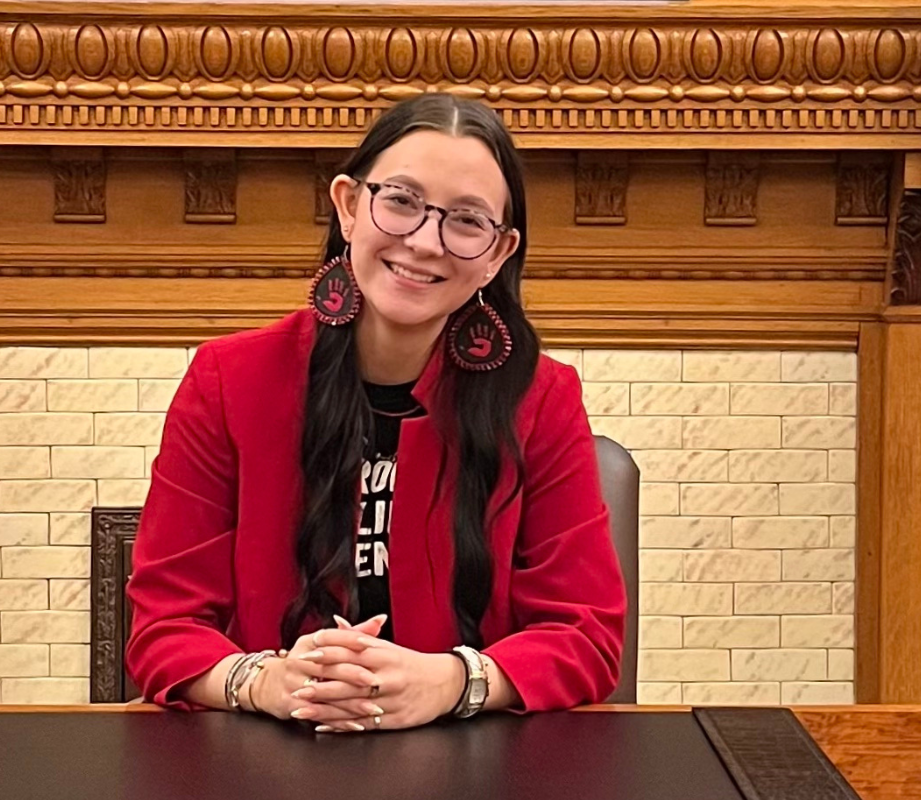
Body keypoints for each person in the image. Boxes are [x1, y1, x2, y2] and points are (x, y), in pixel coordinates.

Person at [124, 93, 624, 733]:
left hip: (473, 761)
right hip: (267, 758)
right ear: (350, 206)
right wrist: (268, 683)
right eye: (401, 201)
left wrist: (451, 681)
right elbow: (163, 627)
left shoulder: (542, 397)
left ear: (498, 254)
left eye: (467, 221)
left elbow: (586, 634)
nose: (423, 242)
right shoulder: (228, 379)